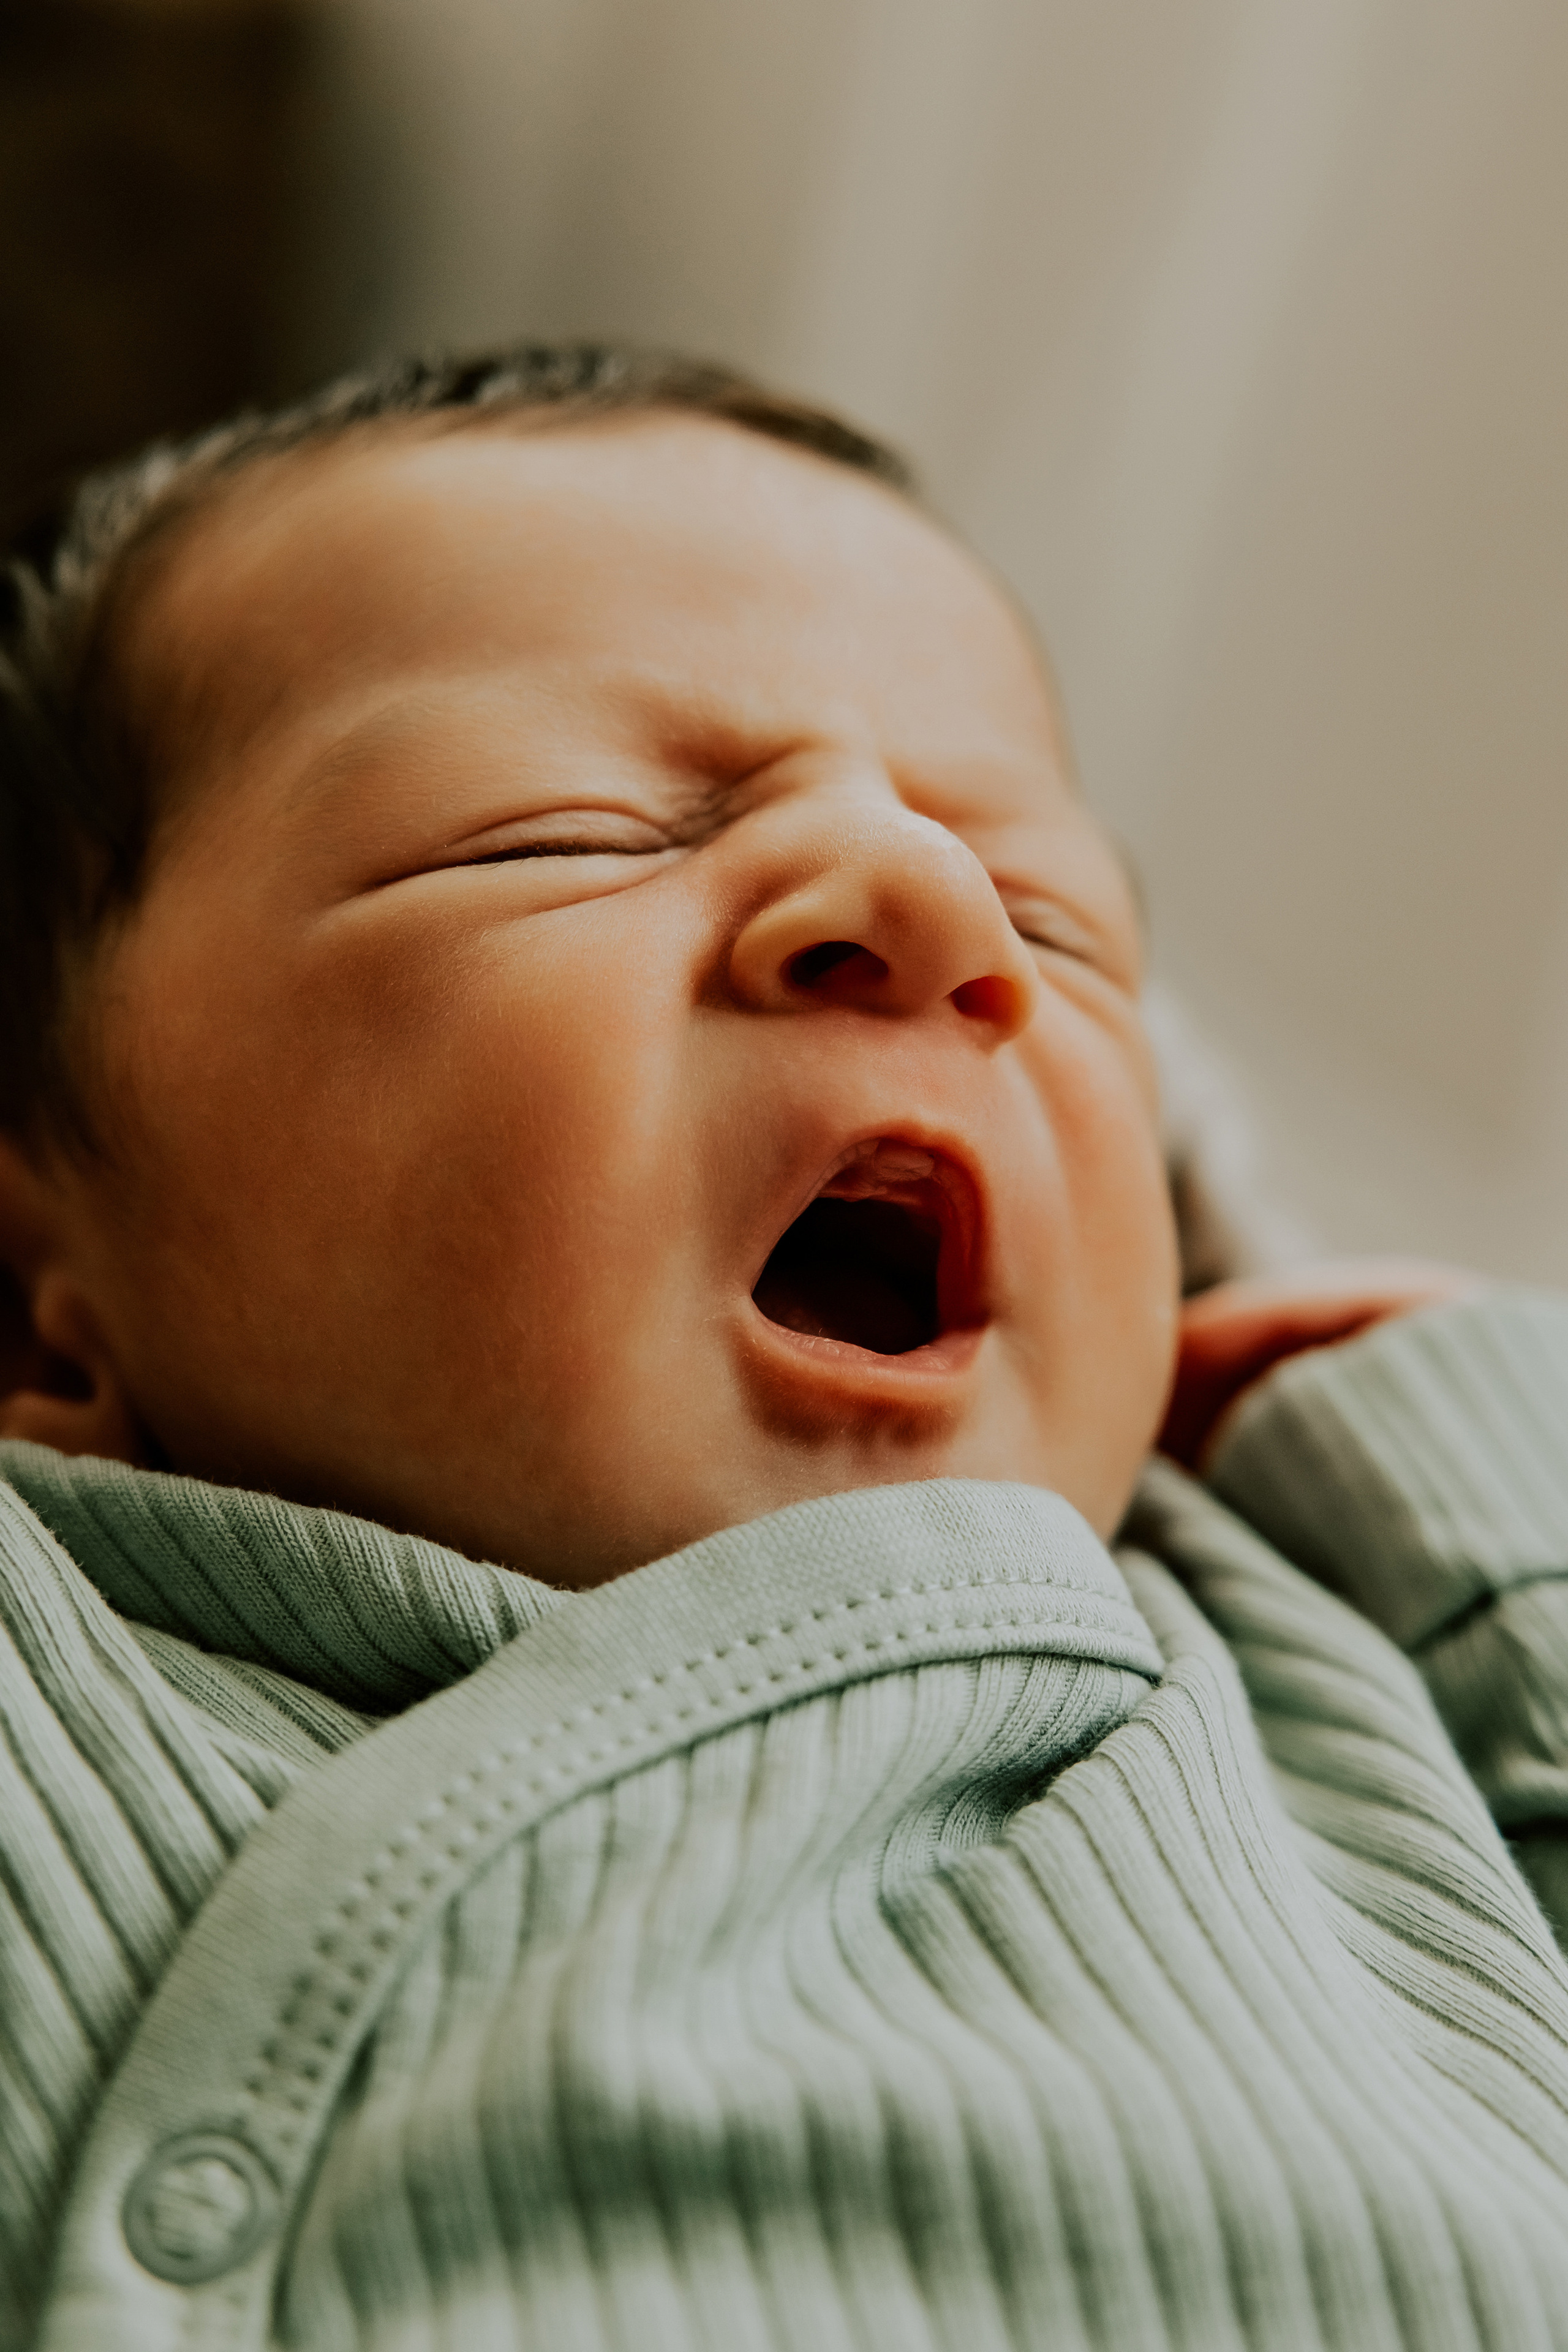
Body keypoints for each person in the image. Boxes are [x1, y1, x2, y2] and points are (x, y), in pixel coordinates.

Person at [1, 342, 1564, 2351]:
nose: (927, 900)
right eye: (565, 833)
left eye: (1053, 914)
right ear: (41, 1296)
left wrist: (1473, 1474)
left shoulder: (1321, 1688)